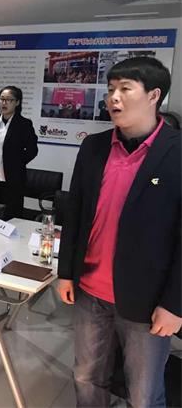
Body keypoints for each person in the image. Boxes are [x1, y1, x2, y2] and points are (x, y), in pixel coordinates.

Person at [57, 57, 181, 407]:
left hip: (147, 300)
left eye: (126, 89)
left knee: (143, 394)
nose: (114, 97)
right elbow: (75, 213)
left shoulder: (176, 152)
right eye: (111, 89)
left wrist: (175, 305)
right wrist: (65, 273)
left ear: (154, 95)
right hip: (89, 290)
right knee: (86, 377)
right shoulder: (94, 147)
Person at [0, 86, 38, 219]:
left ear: (17, 102)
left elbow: (32, 150)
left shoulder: (24, 124)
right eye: (1, 99)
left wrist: (17, 163)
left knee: (11, 215)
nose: (4, 103)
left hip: (13, 177)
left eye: (9, 100)